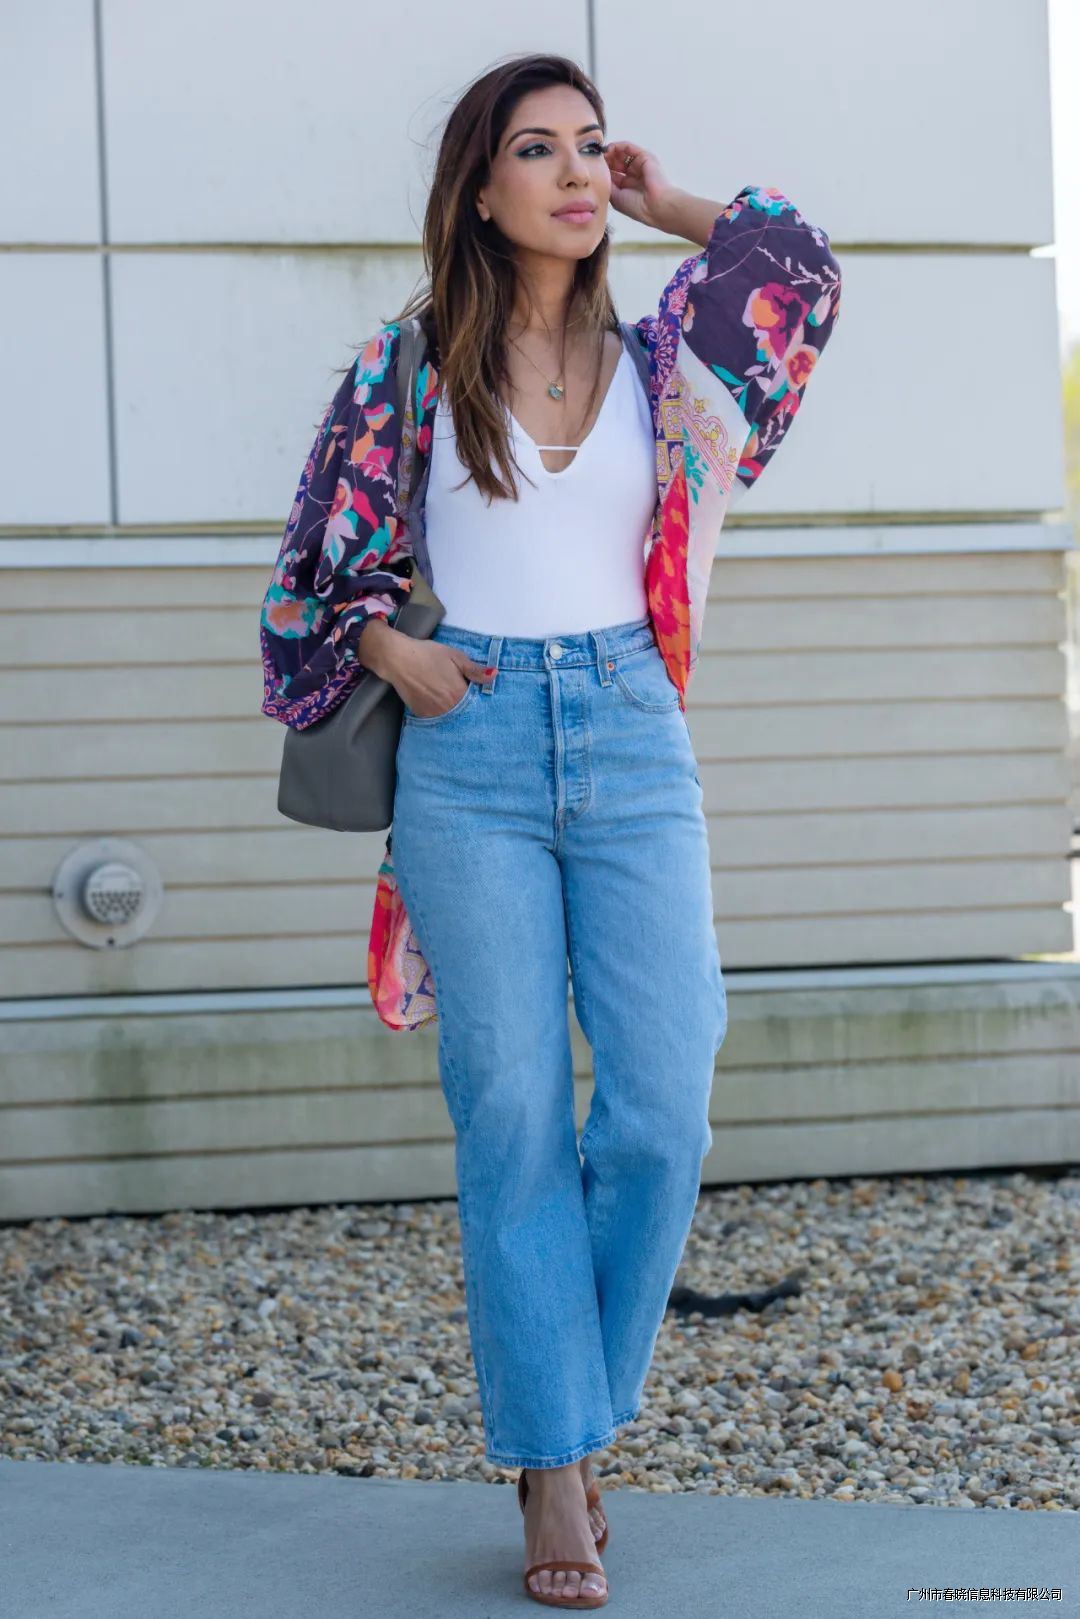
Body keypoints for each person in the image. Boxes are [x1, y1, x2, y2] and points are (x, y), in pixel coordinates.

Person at [261, 51, 841, 1610]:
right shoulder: (406, 370)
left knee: (662, 1101)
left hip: (634, 733)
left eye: (592, 146)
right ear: (478, 190)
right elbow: (311, 573)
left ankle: (568, 1412)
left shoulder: (673, 362)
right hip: (473, 747)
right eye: (541, 149)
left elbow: (796, 265)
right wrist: (393, 654)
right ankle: (554, 1468)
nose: (580, 172)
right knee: (513, 1108)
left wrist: (670, 199)